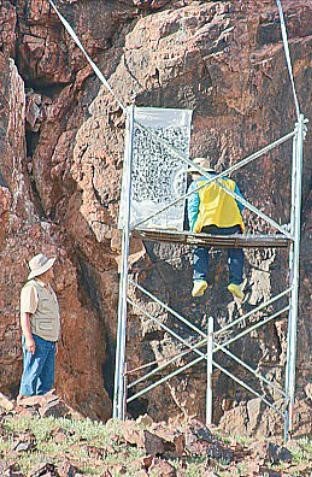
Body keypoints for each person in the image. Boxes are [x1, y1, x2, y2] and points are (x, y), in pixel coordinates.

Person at [187, 157, 245, 300]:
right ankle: (235, 283)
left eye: (193, 173)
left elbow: (193, 208)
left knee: (200, 247)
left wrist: (194, 229)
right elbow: (241, 204)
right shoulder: (229, 183)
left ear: (198, 172)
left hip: (208, 225)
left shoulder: (197, 185)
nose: (192, 176)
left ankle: (199, 279)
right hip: (231, 226)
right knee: (236, 250)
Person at [18, 253, 60, 400]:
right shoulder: (31, 288)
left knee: (46, 378)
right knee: (32, 373)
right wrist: (29, 339)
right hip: (38, 338)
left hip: (49, 340)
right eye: (50, 268)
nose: (52, 270)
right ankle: (25, 405)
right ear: (44, 271)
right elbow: (25, 315)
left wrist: (54, 341)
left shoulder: (48, 289)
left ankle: (43, 409)